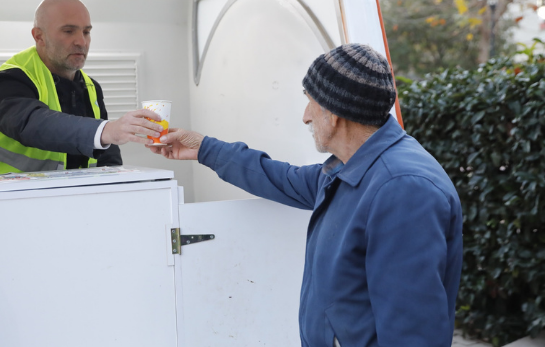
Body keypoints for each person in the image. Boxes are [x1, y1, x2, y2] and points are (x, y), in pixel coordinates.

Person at [148, 44, 463, 347]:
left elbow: (412, 332)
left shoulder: (403, 189)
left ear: (335, 112)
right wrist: (203, 147)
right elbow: (281, 178)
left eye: (310, 101)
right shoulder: (350, 169)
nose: (305, 116)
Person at [0, 0, 163, 176]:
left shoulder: (91, 87)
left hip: (54, 199)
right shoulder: (9, 79)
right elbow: (32, 124)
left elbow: (105, 156)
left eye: (86, 32)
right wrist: (106, 130)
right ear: (39, 36)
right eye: (68, 31)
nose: (81, 42)